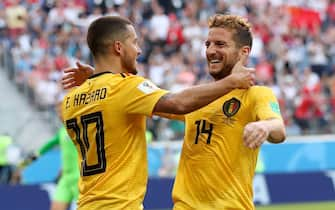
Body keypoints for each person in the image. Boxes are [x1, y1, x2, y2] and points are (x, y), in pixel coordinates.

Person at [61, 16, 254, 210]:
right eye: (134, 42)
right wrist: (232, 81)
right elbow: (179, 103)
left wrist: (95, 77)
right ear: (118, 48)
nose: (139, 50)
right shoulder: (125, 87)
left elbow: (107, 101)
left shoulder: (70, 100)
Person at [169, 14, 286, 210]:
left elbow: (279, 129)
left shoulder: (256, 95)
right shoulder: (196, 98)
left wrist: (264, 126)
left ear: (243, 52)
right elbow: (157, 101)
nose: (211, 51)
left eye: (220, 44)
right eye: (208, 44)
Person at [19, 97, 79, 210]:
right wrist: (24, 164)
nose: (59, 113)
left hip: (80, 179)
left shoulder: (80, 127)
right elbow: (42, 150)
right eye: (57, 110)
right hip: (66, 179)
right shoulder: (61, 131)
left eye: (61, 109)